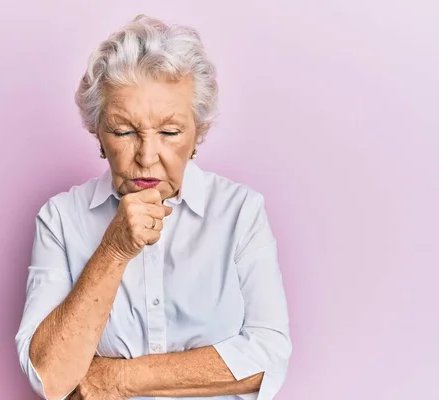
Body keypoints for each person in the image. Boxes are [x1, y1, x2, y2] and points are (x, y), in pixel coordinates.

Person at [15, 14, 292, 400]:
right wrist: (114, 250)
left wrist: (117, 379)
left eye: (169, 133)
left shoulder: (240, 211)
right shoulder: (60, 219)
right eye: (124, 131)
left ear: (199, 132)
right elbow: (50, 377)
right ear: (97, 132)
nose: (147, 157)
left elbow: (269, 356)